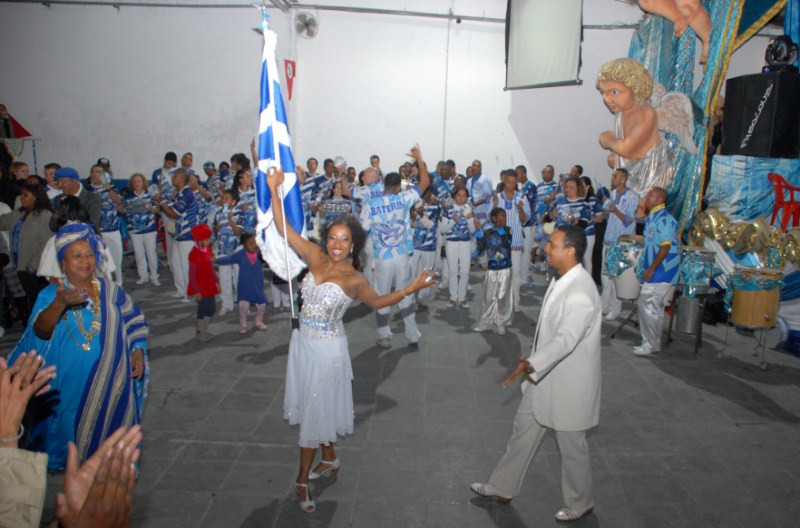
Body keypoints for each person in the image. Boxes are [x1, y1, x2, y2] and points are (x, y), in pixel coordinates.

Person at [266, 166, 436, 513]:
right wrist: (273, 190)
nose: (338, 245)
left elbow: (378, 302)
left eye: (346, 240)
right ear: (326, 238)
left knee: (314, 411)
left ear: (354, 244)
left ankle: (301, 481)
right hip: (303, 346)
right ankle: (329, 459)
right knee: (317, 405)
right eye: (333, 238)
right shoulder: (314, 257)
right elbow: (283, 228)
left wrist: (411, 288)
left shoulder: (354, 279)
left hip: (328, 351)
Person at [471, 225, 601, 523]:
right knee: (522, 432)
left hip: (568, 383)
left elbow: (567, 339)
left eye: (552, 244)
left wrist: (531, 362)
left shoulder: (581, 291)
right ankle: (502, 486)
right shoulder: (562, 280)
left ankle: (580, 503)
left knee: (572, 448)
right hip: (543, 377)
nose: (545, 248)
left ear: (570, 250)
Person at [9, 223, 148, 470]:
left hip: (112, 384)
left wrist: (137, 350)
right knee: (74, 445)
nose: (85, 261)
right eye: (77, 256)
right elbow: (39, 333)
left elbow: (133, 320)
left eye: (90, 255)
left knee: (111, 447)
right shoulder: (50, 295)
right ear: (63, 261)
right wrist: (59, 304)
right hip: (70, 389)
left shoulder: (111, 291)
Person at [360, 145, 430, 348]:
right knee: (405, 293)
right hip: (401, 256)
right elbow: (425, 182)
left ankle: (384, 336)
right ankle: (412, 335)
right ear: (399, 186)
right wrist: (419, 158)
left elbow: (362, 230)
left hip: (382, 257)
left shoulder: (371, 204)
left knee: (382, 296)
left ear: (383, 185)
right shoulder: (404, 198)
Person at [635, 187, 679, 356]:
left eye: (651, 195)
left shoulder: (665, 219)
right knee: (652, 308)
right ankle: (651, 343)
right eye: (647, 194)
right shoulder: (652, 217)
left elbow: (666, 246)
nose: (647, 197)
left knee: (648, 305)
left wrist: (652, 269)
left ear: (661, 200)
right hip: (654, 270)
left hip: (663, 271)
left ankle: (650, 344)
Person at [0, 182, 53, 309]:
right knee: (31, 300)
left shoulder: (45, 215)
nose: (21, 198)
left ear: (36, 197)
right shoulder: (19, 213)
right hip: (21, 265)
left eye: (26, 195)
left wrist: (32, 265)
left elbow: (45, 243)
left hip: (36, 268)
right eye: (21, 195)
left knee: (40, 301)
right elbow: (2, 223)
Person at [600, 169, 639, 320]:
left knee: (615, 276)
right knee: (605, 276)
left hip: (620, 242)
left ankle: (615, 308)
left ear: (623, 179)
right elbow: (607, 214)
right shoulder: (614, 194)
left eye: (615, 176)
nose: (612, 178)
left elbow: (629, 220)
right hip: (608, 240)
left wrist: (615, 210)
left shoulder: (631, 197)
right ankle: (604, 305)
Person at [157, 168, 199, 301]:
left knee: (186, 265)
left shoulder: (186, 194)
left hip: (187, 236)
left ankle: (191, 293)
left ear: (181, 179)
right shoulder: (179, 193)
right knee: (176, 263)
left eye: (174, 176)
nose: (172, 178)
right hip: (178, 235)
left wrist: (162, 203)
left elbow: (174, 213)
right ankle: (181, 290)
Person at [492, 169, 530, 311]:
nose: (511, 185)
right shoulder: (496, 197)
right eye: (508, 182)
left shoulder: (522, 198)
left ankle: (515, 302)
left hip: (516, 241)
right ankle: (500, 301)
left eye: (514, 183)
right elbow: (491, 220)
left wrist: (520, 209)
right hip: (499, 242)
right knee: (500, 273)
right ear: (503, 181)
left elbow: (524, 220)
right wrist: (495, 206)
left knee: (515, 273)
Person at [216, 233, 268, 334]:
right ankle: (243, 321)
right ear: (244, 245)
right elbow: (229, 259)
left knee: (262, 306)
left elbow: (271, 260)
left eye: (255, 243)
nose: (254, 245)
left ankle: (258, 320)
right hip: (244, 286)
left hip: (257, 286)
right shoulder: (240, 255)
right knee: (243, 306)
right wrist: (216, 260)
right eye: (251, 243)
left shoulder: (260, 255)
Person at [472, 207, 514, 335]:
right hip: (492, 270)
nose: (503, 219)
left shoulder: (507, 231)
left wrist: (500, 231)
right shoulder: (488, 232)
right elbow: (481, 247)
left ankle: (501, 322)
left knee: (502, 297)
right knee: (489, 296)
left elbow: (507, 244)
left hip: (505, 270)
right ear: (493, 218)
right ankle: (486, 322)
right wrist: (479, 232)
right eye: (500, 216)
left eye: (505, 216)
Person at [87, 164, 124, 286]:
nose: (94, 174)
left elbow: (119, 201)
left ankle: (119, 284)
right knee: (99, 262)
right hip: (96, 232)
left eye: (98, 172)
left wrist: (108, 188)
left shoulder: (112, 188)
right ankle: (104, 285)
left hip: (112, 230)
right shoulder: (87, 191)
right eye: (93, 172)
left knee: (116, 260)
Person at [439, 186, 476, 307]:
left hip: (465, 243)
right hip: (451, 243)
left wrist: (470, 219)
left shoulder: (469, 209)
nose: (461, 198)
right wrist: (453, 221)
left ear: (467, 197)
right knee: (453, 271)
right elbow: (443, 230)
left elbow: (472, 231)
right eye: (459, 195)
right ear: (455, 196)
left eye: (464, 196)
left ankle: (462, 297)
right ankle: (453, 297)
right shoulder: (448, 209)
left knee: (465, 272)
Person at [124, 173, 161, 286]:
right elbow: (124, 210)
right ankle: (143, 276)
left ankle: (154, 276)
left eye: (139, 181)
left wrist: (152, 208)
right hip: (134, 230)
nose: (136, 184)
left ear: (143, 182)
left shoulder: (150, 195)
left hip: (149, 229)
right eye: (134, 182)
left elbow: (158, 210)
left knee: (151, 254)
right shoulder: (128, 196)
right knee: (139, 254)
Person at [409, 188, 442, 309]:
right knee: (412, 272)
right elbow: (414, 225)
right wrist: (413, 218)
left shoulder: (436, 207)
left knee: (427, 273)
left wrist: (421, 214)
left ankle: (423, 298)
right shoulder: (416, 205)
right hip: (415, 244)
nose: (423, 196)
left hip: (429, 245)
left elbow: (431, 225)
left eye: (425, 193)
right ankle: (410, 297)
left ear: (430, 192)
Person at [213, 188, 244, 316]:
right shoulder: (218, 213)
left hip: (236, 249)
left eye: (226, 199)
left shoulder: (239, 213)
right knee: (224, 278)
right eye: (222, 198)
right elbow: (215, 230)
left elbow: (238, 232)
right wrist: (217, 227)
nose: (223, 201)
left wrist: (230, 219)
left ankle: (243, 303)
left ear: (233, 202)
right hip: (222, 249)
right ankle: (226, 304)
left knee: (238, 277)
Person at [187, 224, 218, 342]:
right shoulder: (193, 254)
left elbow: (210, 268)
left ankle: (202, 330)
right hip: (201, 286)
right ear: (200, 240)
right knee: (203, 308)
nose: (209, 241)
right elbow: (192, 274)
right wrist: (196, 291)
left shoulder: (208, 250)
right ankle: (201, 331)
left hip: (209, 284)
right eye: (208, 239)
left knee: (212, 309)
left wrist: (216, 281)